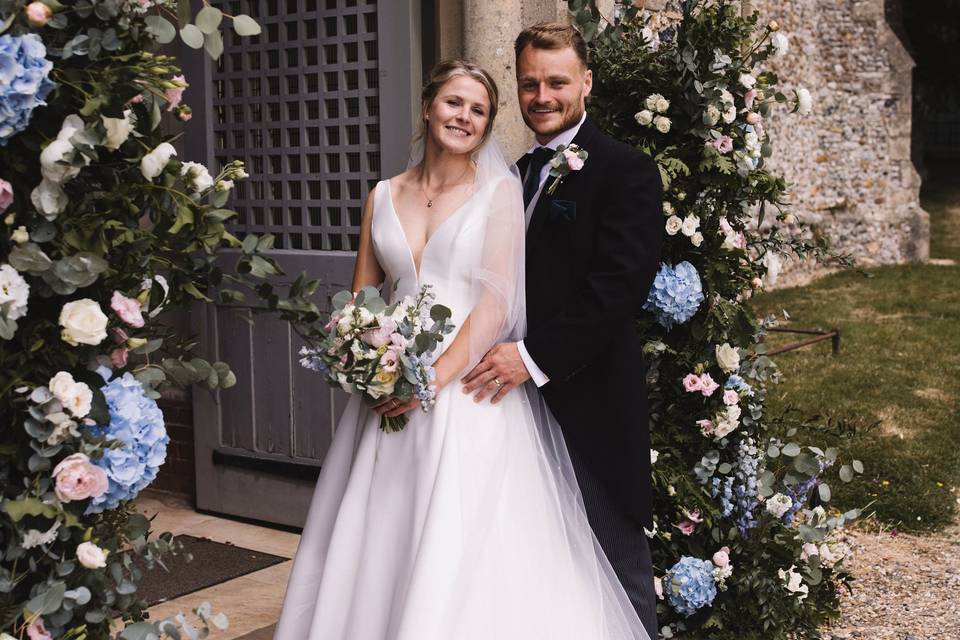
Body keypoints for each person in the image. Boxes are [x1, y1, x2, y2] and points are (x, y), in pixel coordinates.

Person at [274, 59, 651, 639]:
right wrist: (361, 360)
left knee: (459, 541)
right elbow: (362, 299)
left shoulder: (500, 191)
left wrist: (425, 383)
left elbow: (496, 308)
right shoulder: (381, 195)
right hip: (387, 385)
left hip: (465, 386)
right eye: (454, 103)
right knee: (377, 535)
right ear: (427, 107)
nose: (464, 117)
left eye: (478, 110)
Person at [461, 23, 664, 638]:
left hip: (588, 405)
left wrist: (531, 356)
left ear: (586, 84)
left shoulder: (626, 171)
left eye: (556, 82)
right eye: (529, 84)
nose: (542, 95)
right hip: (509, 410)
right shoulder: (511, 174)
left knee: (613, 559)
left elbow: (615, 293)